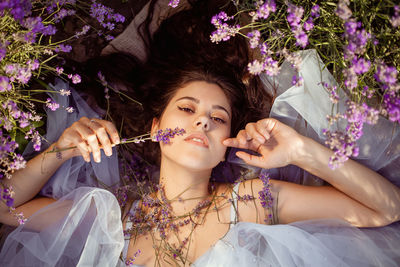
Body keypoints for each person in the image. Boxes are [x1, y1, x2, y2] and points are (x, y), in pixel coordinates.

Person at [1, 0, 400, 266]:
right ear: (156, 127)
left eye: (218, 117)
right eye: (188, 109)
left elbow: (386, 209)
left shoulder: (250, 202)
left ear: (226, 141)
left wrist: (300, 150)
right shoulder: (115, 217)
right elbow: (5, 209)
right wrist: (59, 150)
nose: (202, 122)